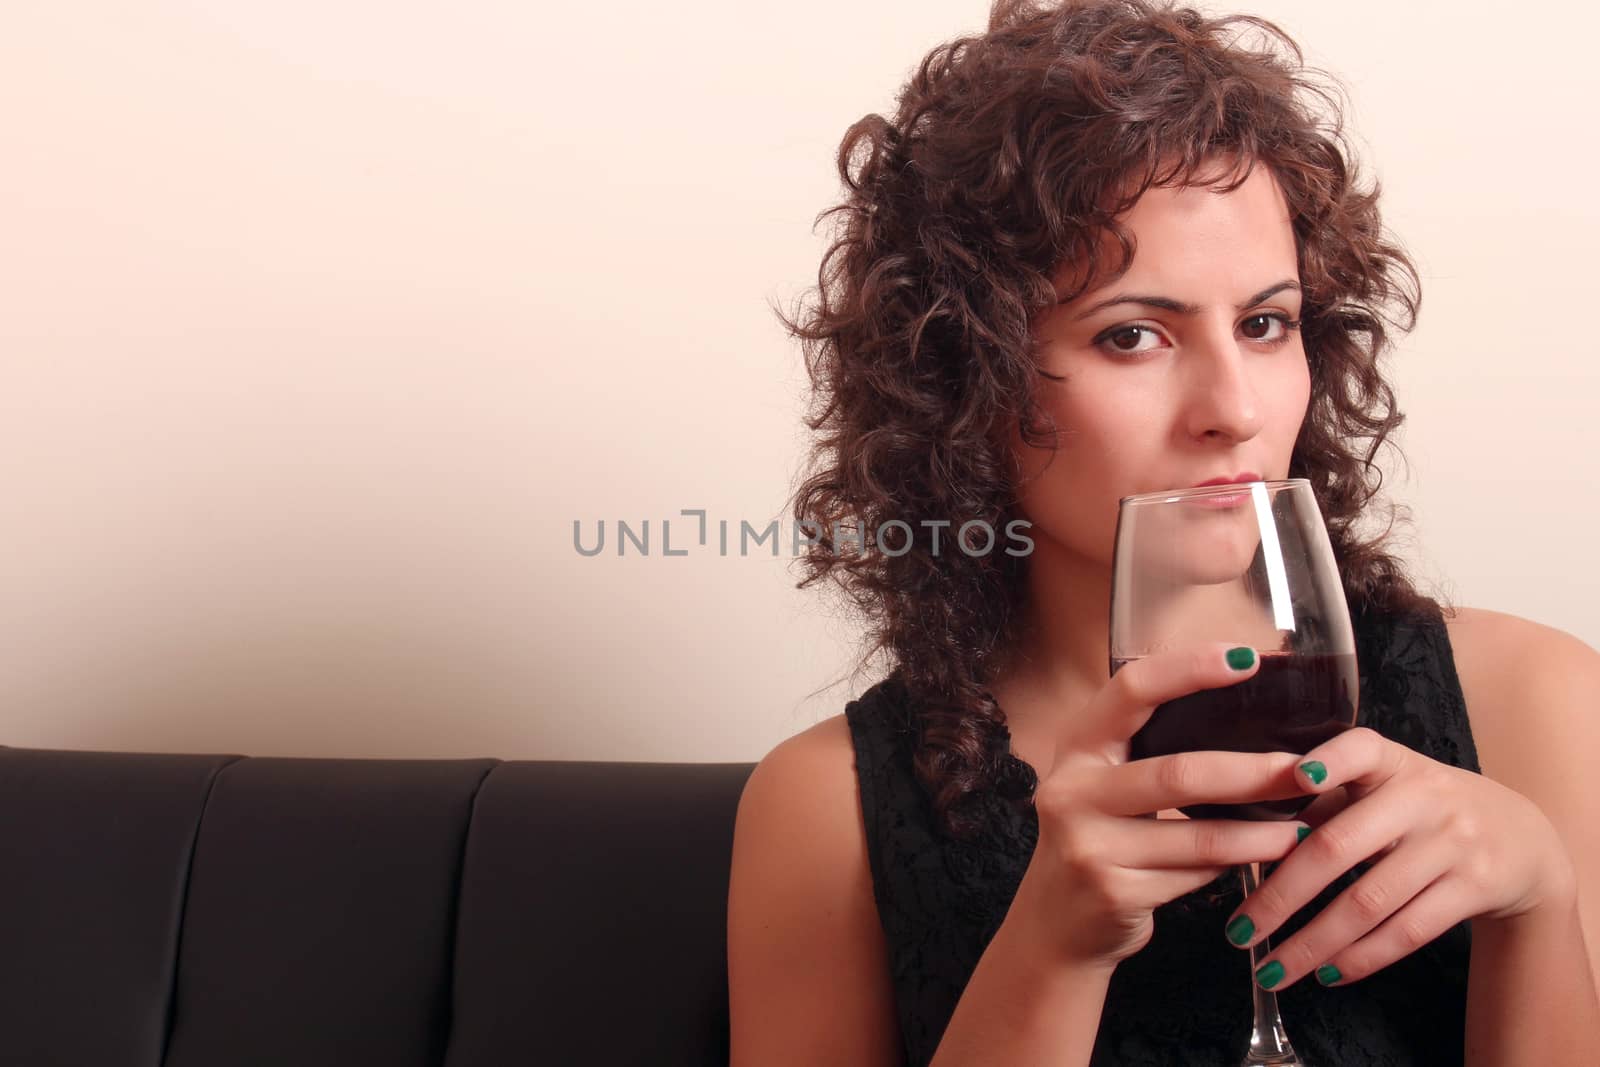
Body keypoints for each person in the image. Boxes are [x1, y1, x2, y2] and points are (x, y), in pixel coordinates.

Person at [727, 1, 1600, 1064]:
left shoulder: (1536, 704)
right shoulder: (827, 807)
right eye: (1132, 334)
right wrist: (1049, 951)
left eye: (1265, 323)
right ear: (963, 379)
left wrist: (1538, 911)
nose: (1231, 406)